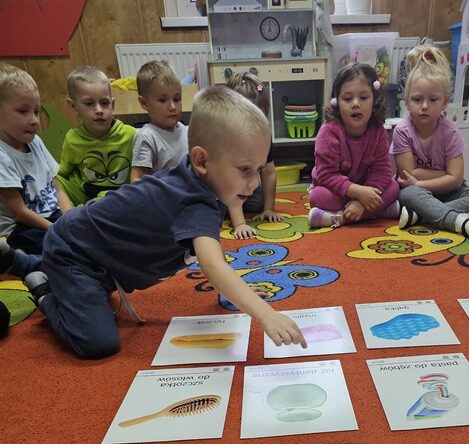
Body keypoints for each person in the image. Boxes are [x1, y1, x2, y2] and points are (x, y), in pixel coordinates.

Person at [1, 86, 307, 359]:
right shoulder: (194, 202)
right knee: (97, 343)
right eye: (244, 170)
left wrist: (236, 291)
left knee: (97, 302)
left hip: (101, 257)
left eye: (259, 169)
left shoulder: (199, 179)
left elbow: (212, 249)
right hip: (74, 252)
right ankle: (43, 287)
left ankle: (29, 263)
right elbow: (213, 266)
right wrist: (266, 315)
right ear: (201, 160)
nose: (255, 183)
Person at [390, 44, 469, 242]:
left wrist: (421, 180)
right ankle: (455, 221)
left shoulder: (450, 131)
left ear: (445, 102)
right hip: (416, 194)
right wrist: (444, 174)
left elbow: (456, 180)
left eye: (433, 100)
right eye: (417, 99)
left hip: (446, 192)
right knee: (406, 194)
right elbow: (407, 174)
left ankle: (422, 216)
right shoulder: (402, 131)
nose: (424, 106)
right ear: (407, 101)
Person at [308, 62, 399, 228]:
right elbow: (326, 175)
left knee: (393, 187)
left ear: (375, 100)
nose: (356, 104)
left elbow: (383, 171)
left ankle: (338, 218)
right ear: (336, 101)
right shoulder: (329, 132)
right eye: (347, 98)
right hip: (336, 190)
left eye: (363, 97)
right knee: (318, 196)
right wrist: (359, 193)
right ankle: (379, 211)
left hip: (365, 189)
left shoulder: (378, 130)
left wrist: (361, 202)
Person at [0, 65, 70, 255]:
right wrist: (58, 231)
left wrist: (70, 219)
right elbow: (19, 211)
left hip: (51, 217)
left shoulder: (36, 142)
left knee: (88, 228)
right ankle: (24, 263)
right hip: (21, 229)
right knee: (60, 248)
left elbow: (58, 188)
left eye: (37, 111)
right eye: (23, 111)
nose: (34, 120)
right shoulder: (2, 154)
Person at [56, 66, 136, 207]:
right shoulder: (72, 139)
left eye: (104, 103)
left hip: (120, 198)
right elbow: (63, 174)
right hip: (86, 197)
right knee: (55, 180)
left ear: (112, 105)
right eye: (89, 104)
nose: (99, 110)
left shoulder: (130, 135)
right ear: (73, 106)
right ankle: (70, 217)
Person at [225, 71, 283, 239]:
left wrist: (269, 208)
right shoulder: (227, 137)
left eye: (260, 117)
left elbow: (268, 171)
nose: (255, 124)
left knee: (257, 203)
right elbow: (230, 181)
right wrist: (239, 223)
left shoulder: (263, 134)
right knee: (212, 207)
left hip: (243, 181)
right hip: (219, 185)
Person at [130, 60, 188, 181]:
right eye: (163, 100)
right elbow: (137, 180)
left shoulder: (185, 130)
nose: (172, 107)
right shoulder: (147, 137)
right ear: (144, 103)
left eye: (177, 99)